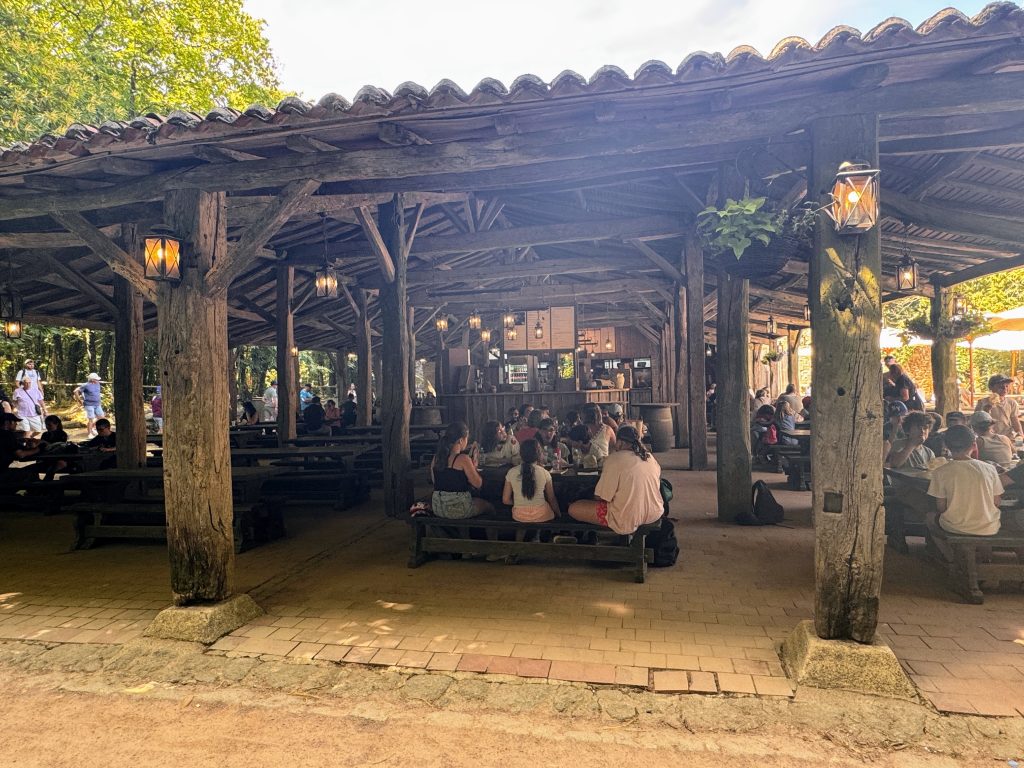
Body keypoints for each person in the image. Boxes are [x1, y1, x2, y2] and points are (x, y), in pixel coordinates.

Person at [568, 425, 664, 534]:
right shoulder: (650, 458)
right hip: (654, 512)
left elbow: (601, 497)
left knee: (574, 508)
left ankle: (589, 538)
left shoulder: (614, 459)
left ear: (620, 442)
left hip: (626, 518)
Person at [926, 425, 1002, 557]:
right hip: (988, 527)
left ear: (947, 446)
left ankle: (950, 558)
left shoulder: (940, 472)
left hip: (955, 526)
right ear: (973, 445)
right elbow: (996, 502)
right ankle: (985, 560)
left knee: (929, 518)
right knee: (987, 522)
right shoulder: (990, 469)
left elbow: (941, 507)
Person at [430, 422, 492, 518]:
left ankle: (456, 532)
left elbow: (435, 482)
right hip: (459, 508)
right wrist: (474, 465)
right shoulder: (463, 459)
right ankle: (481, 532)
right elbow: (478, 484)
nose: (467, 441)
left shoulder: (436, 458)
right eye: (466, 438)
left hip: (438, 507)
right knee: (489, 506)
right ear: (460, 441)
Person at [502, 438, 559, 523]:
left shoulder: (511, 472)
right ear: (539, 454)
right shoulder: (544, 473)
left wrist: (520, 502)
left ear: (521, 454)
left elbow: (505, 500)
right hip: (542, 515)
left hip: (519, 515)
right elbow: (552, 499)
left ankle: (521, 536)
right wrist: (559, 514)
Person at [974, 374, 1021, 440]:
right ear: (991, 387)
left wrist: (1020, 434)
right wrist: (986, 410)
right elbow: (976, 422)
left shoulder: (1011, 403)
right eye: (1000, 386)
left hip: (1007, 437)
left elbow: (1015, 421)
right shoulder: (982, 402)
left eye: (1007, 386)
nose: (1005, 389)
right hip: (989, 438)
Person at [0, 413, 40, 478]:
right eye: (14, 422)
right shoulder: (8, 435)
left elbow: (14, 448)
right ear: (7, 422)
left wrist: (25, 444)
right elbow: (20, 454)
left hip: (3, 471)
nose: (16, 424)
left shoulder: (5, 434)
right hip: (2, 473)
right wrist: (38, 449)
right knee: (32, 474)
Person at [74, 373, 105, 438]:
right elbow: (75, 391)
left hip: (97, 404)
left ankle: (93, 428)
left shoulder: (98, 384)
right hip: (89, 404)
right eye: (96, 379)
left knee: (102, 417)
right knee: (91, 419)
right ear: (92, 380)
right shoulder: (86, 385)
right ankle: (89, 433)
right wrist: (79, 400)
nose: (97, 380)